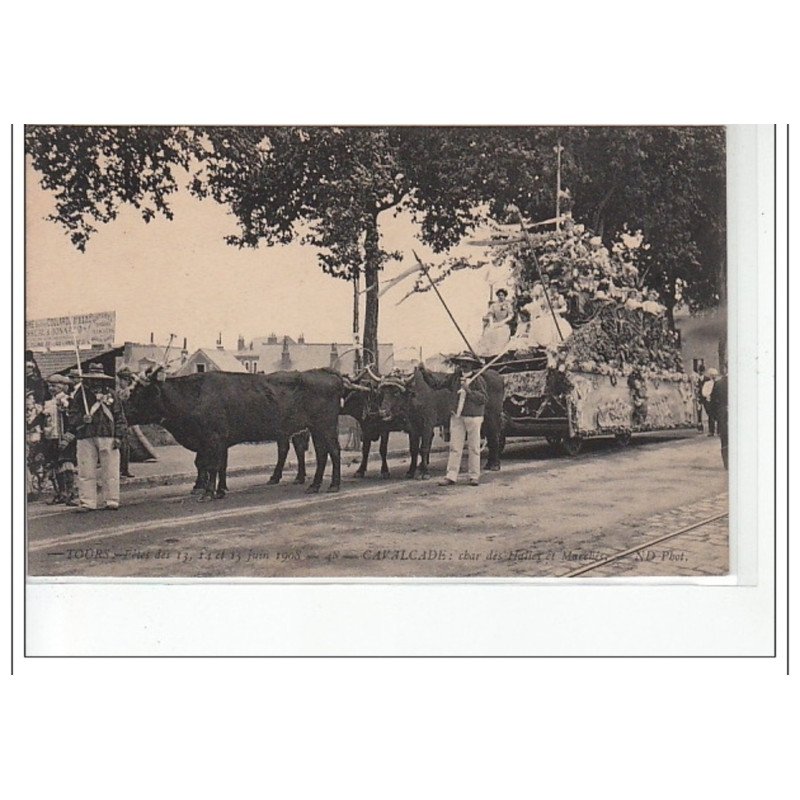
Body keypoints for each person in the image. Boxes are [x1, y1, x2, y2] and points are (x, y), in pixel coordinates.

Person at [67, 363, 128, 511]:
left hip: (108, 434)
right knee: (86, 470)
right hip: (85, 435)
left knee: (111, 469)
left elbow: (119, 416)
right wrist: (82, 419)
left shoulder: (112, 394)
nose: (95, 382)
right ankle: (87, 502)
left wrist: (119, 436)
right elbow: (72, 416)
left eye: (98, 379)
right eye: (93, 379)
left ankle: (111, 500)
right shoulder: (80, 395)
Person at [421, 352, 487, 486]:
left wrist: (469, 391)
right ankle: (451, 476)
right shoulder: (455, 378)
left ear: (472, 365)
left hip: (473, 417)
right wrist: (425, 373)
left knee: (474, 447)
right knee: (455, 447)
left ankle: (474, 476)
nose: (464, 365)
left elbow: (483, 399)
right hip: (457, 416)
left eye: (467, 362)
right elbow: (437, 384)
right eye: (462, 362)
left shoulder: (478, 379)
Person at [42, 374, 78, 505]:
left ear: (63, 387)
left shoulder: (68, 400)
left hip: (65, 436)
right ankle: (60, 493)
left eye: (55, 386)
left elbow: (73, 421)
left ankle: (71, 493)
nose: (52, 388)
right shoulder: (48, 402)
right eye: (50, 386)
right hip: (52, 437)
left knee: (66, 464)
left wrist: (68, 437)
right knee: (55, 465)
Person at [477, 288, 514, 356]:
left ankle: (498, 352)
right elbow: (490, 314)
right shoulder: (494, 305)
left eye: (502, 295)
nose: (500, 296)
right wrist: (491, 323)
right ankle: (488, 352)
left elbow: (510, 315)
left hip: (504, 323)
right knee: (488, 332)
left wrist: (503, 322)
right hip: (495, 323)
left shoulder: (507, 304)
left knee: (501, 332)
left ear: (505, 296)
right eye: (499, 295)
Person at [115, 367, 136, 478]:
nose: (120, 382)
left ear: (127, 381)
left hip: (125, 420)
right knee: (121, 446)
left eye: (122, 380)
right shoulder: (120, 392)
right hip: (120, 421)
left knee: (125, 446)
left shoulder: (128, 391)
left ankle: (124, 469)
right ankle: (121, 469)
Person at [710, 373, 728, 470]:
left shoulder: (718, 383)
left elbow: (712, 403)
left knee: (724, 439)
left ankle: (727, 462)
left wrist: (716, 417)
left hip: (722, 415)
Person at [701, 368, 719, 436]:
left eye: (715, 375)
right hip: (710, 400)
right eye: (712, 375)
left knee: (718, 415)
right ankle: (711, 431)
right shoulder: (707, 383)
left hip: (717, 401)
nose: (714, 377)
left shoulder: (718, 383)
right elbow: (704, 392)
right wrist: (708, 395)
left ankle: (718, 431)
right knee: (711, 416)